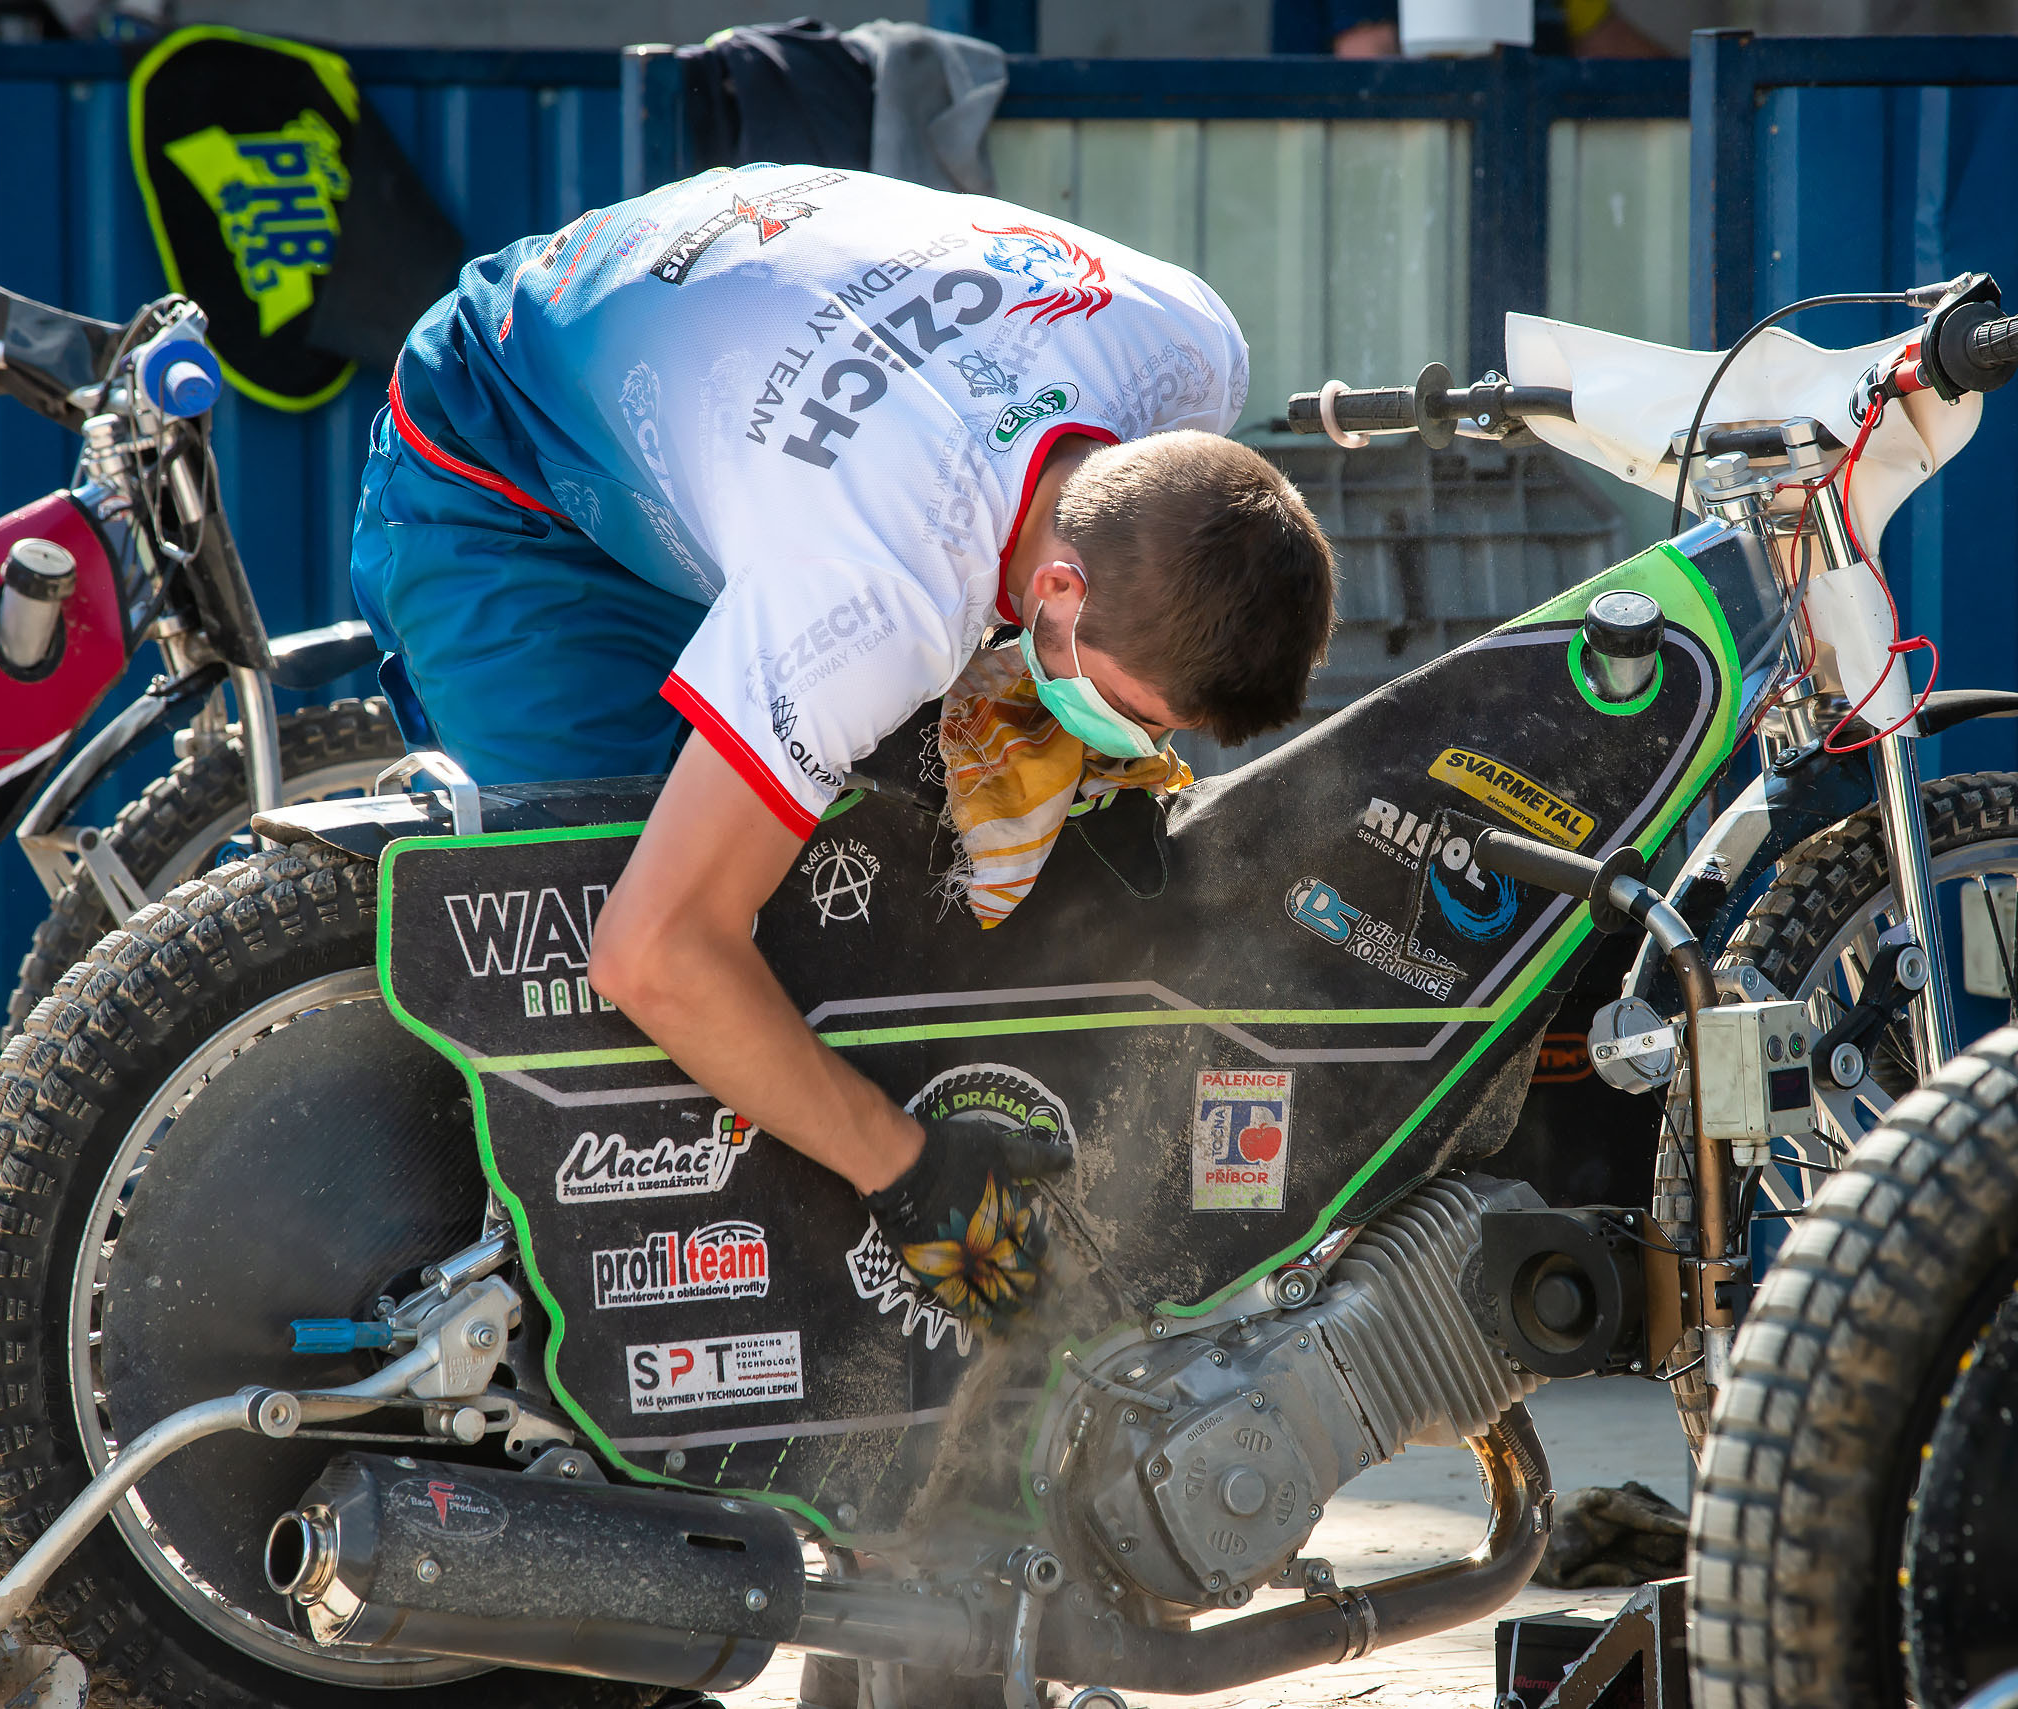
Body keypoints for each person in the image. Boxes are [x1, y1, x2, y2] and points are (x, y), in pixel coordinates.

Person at [350, 165, 1337, 1321]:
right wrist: (908, 1169)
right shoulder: (876, 596)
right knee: (597, 953)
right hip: (505, 461)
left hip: (712, 361)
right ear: (1060, 590)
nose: (1142, 743)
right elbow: (652, 953)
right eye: (1135, 714)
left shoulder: (1184, 345)